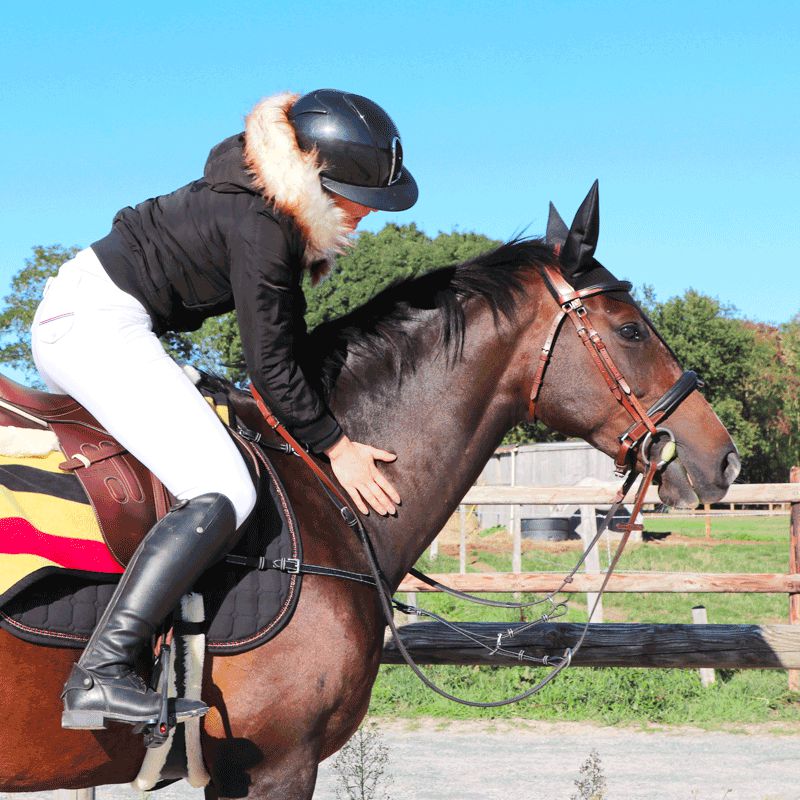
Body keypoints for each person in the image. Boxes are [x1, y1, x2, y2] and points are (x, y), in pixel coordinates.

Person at [30, 89, 418, 730]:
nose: (365, 217)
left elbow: (282, 349)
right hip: (94, 326)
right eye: (360, 200)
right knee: (223, 488)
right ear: (317, 180)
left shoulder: (268, 206)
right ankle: (101, 671)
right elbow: (272, 367)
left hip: (115, 321)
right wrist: (335, 444)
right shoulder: (262, 226)